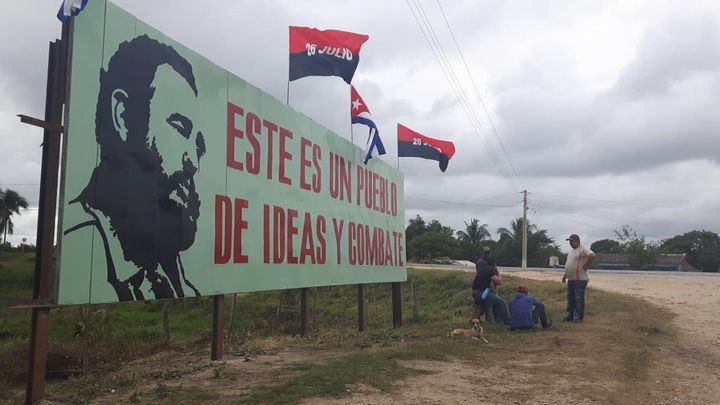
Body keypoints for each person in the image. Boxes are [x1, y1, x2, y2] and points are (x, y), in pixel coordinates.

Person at [63, 35, 206, 301]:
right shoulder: (81, 244)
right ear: (123, 116)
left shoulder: (174, 271)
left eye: (198, 146)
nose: (194, 163)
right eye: (178, 128)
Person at [562, 234, 596, 322]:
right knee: (570, 299)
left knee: (578, 299)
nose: (570, 243)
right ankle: (569, 316)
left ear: (577, 241)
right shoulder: (571, 251)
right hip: (571, 279)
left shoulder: (582, 249)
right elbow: (569, 264)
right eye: (569, 241)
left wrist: (587, 264)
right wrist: (565, 275)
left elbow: (592, 255)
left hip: (580, 279)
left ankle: (578, 316)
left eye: (572, 241)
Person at [472, 249, 509, 325]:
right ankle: (507, 322)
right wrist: (498, 273)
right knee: (501, 302)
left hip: (476, 293)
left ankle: (498, 320)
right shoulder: (489, 271)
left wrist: (495, 294)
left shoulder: (482, 270)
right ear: (493, 265)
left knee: (496, 300)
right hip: (481, 294)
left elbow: (490, 283)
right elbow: (499, 282)